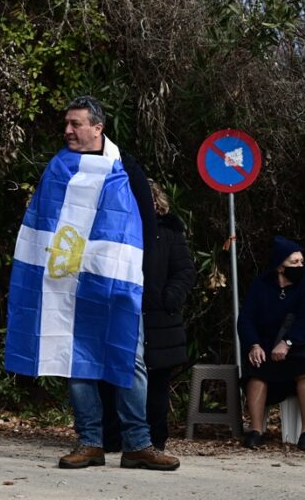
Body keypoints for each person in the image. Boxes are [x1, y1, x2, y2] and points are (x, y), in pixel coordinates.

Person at [4, 96, 179, 471]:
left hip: (117, 282)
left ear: (97, 128)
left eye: (76, 124)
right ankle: (90, 442)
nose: (67, 130)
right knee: (77, 360)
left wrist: (140, 277)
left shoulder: (125, 167)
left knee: (129, 360)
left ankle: (138, 445)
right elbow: (43, 223)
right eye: (66, 124)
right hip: (68, 283)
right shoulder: (57, 168)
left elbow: (146, 225)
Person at [101, 179, 196, 452]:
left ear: (156, 203)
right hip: (119, 313)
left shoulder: (168, 233)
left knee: (156, 384)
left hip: (158, 319)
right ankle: (113, 438)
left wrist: (168, 299)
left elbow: (185, 271)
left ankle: (154, 441)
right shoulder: (113, 231)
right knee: (111, 380)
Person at [236, 236, 305, 451]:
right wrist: (254, 345)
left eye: (301, 262)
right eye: (294, 262)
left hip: (297, 347)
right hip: (266, 345)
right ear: (280, 267)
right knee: (257, 371)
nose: (300, 266)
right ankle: (256, 430)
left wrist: (288, 342)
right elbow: (246, 318)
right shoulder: (261, 285)